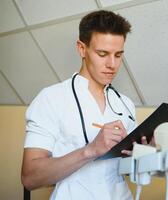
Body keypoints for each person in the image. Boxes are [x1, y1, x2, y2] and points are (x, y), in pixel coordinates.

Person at [21, 10, 144, 200]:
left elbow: (125, 169)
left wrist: (144, 154)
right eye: (103, 54)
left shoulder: (125, 104)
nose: (112, 64)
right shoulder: (50, 98)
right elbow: (30, 177)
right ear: (81, 49)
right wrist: (90, 150)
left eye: (118, 55)